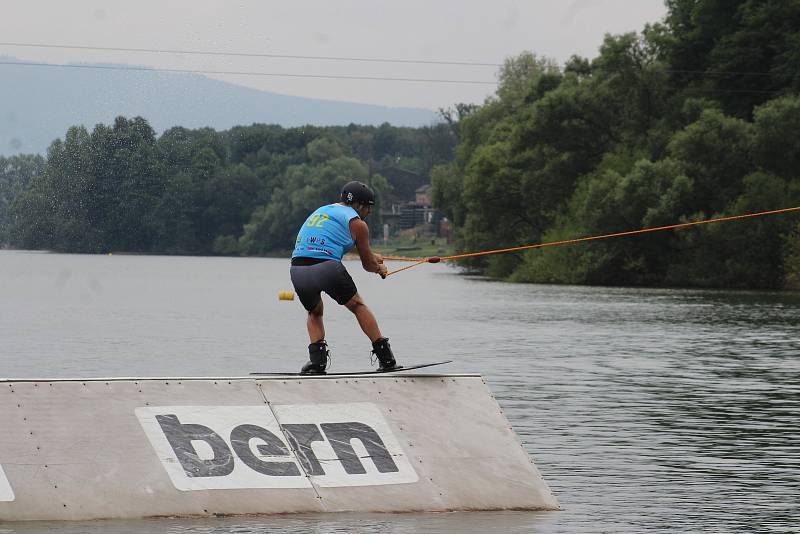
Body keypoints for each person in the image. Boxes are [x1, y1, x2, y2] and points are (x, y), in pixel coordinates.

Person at [290, 181, 400, 374]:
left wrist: (372, 256)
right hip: (326, 268)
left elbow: (334, 240)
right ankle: (386, 359)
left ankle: (317, 363)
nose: (369, 212)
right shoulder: (358, 223)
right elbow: (368, 265)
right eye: (368, 207)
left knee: (314, 312)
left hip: (298, 268)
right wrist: (379, 268)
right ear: (358, 205)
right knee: (357, 305)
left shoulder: (324, 210)